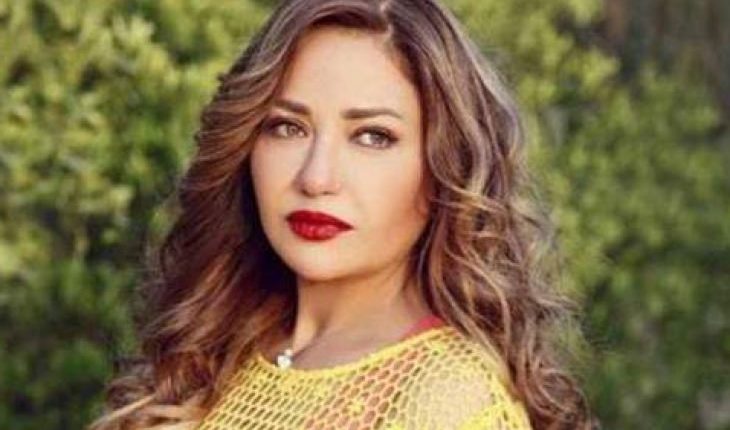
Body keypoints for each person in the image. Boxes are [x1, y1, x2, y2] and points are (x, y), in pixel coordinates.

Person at [90, 0, 597, 429]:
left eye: (372, 136)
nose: (316, 177)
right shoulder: (214, 354)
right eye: (287, 127)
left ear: (445, 168)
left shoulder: (448, 400)